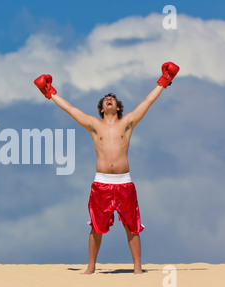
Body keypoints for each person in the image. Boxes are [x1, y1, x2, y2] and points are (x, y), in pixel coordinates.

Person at [34, 62, 179, 274]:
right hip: (101, 183)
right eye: (105, 100)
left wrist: (164, 81)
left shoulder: (127, 123)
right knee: (96, 227)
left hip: (124, 183)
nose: (108, 100)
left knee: (132, 227)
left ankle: (138, 269)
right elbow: (71, 109)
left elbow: (147, 102)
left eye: (112, 100)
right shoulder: (94, 125)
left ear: (118, 107)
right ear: (102, 108)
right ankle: (91, 267)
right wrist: (49, 92)